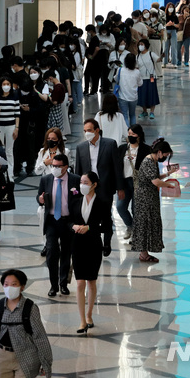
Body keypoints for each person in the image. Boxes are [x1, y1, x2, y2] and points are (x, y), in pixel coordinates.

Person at [0, 269, 52, 378]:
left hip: (27, 355)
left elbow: (40, 337)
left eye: (14, 284)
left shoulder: (30, 308)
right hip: (3, 356)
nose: (9, 287)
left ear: (22, 287)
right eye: (6, 284)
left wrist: (46, 363)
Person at [73, 119, 125, 253]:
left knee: (106, 215)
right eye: (85, 131)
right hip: (88, 187)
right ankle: (93, 240)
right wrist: (77, 189)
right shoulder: (81, 147)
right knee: (88, 215)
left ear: (97, 130)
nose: (86, 133)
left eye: (89, 130)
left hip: (105, 186)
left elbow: (117, 167)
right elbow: (78, 170)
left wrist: (120, 187)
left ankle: (107, 242)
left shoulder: (110, 144)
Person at [71, 171, 111, 333]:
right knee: (80, 282)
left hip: (94, 245)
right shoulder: (75, 201)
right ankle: (82, 320)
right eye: (81, 182)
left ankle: (89, 314)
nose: (82, 185)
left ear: (94, 184)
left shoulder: (102, 202)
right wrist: (73, 226)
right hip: (77, 245)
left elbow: (107, 226)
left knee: (91, 282)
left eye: (86, 182)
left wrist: (90, 228)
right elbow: (67, 220)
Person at [36, 153, 79, 297]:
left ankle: (63, 283)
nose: (54, 168)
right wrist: (40, 199)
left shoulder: (75, 180)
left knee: (66, 253)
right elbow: (39, 197)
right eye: (53, 166)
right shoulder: (46, 179)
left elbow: (79, 199)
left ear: (66, 167)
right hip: (52, 221)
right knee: (51, 252)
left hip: (68, 221)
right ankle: (53, 285)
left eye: (58, 166)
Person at [131, 140, 178, 263]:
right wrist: (169, 185)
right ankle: (143, 254)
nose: (165, 157)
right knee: (145, 223)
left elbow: (155, 177)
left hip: (149, 197)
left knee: (148, 223)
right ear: (159, 152)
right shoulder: (148, 162)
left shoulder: (152, 160)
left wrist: (168, 173)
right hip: (145, 199)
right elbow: (156, 182)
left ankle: (144, 252)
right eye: (166, 155)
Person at [117, 125, 151, 240]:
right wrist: (119, 187)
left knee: (136, 209)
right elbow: (117, 168)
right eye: (129, 134)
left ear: (139, 135)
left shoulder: (146, 149)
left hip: (139, 184)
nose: (130, 136)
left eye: (133, 134)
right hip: (125, 183)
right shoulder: (122, 149)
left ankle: (137, 233)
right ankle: (130, 226)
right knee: (120, 207)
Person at [0, 76, 20, 175]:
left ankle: (10, 173)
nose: (6, 86)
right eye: (4, 84)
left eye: (8, 84)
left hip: (11, 126)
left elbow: (17, 114)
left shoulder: (15, 96)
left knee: (9, 150)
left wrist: (16, 128)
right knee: (0, 149)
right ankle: (1, 172)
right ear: (1, 86)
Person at [115, 53, 143, 127]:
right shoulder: (137, 72)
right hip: (133, 97)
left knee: (124, 115)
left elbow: (116, 79)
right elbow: (140, 84)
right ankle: (133, 132)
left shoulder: (120, 70)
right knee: (133, 115)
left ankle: (127, 133)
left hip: (122, 97)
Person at [135, 39, 160, 119]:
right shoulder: (137, 56)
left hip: (151, 77)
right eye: (139, 44)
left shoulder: (150, 54)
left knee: (152, 94)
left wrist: (162, 56)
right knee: (142, 95)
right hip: (141, 78)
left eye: (142, 44)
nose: (140, 46)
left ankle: (152, 112)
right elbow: (136, 67)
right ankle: (144, 111)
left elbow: (158, 60)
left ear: (146, 45)